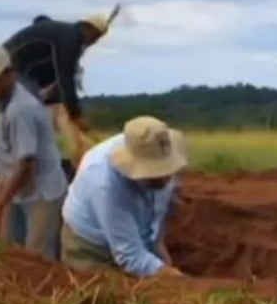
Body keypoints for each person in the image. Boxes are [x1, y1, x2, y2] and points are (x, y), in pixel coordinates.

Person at [60, 116, 189, 278]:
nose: (164, 180)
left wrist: (161, 257)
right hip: (91, 248)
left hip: (139, 239)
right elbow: (130, 255)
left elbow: (156, 216)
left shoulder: (160, 145)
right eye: (154, 175)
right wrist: (178, 280)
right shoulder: (104, 184)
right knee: (112, 297)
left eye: (166, 172)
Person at [0, 45, 68, 260]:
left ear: (10, 74)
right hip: (16, 187)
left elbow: (27, 166)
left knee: (36, 257)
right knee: (7, 252)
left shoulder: (21, 109)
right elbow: (6, 159)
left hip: (43, 191)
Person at [2, 13, 111, 166]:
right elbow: (65, 76)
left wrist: (60, 99)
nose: (95, 41)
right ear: (88, 28)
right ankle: (11, 162)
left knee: (36, 112)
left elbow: (56, 73)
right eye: (96, 36)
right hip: (7, 66)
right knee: (28, 113)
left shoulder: (64, 35)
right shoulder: (70, 38)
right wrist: (75, 113)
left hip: (19, 68)